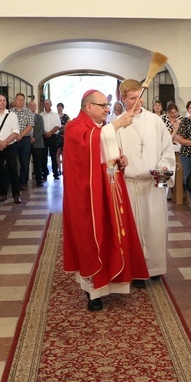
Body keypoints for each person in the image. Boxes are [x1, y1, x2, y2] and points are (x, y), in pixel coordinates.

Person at [63, 89, 149, 311]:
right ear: (88, 107)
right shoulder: (75, 127)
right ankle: (93, 292)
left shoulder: (100, 129)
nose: (107, 109)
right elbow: (87, 147)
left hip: (110, 190)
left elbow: (104, 153)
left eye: (107, 106)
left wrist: (119, 160)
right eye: (102, 105)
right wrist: (117, 124)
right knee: (94, 237)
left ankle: (114, 281)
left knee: (113, 234)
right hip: (88, 196)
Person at [116, 79, 176, 284]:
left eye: (139, 98)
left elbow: (167, 149)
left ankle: (155, 267)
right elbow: (110, 155)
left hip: (153, 182)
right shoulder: (117, 124)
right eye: (132, 98)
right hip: (129, 184)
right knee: (132, 228)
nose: (137, 103)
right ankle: (136, 269)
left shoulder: (155, 121)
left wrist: (163, 170)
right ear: (122, 98)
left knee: (155, 226)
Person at [0, 94, 21, 203]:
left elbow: (15, 131)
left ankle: (16, 194)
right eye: (0, 100)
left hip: (10, 146)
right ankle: (3, 193)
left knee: (13, 170)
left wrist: (4, 143)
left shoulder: (12, 115)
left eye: (4, 100)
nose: (2, 102)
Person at [11, 93, 34, 191]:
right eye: (18, 99)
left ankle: (23, 183)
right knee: (12, 162)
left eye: (22, 99)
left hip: (25, 139)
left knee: (24, 162)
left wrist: (21, 135)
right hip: (12, 139)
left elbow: (30, 126)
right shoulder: (10, 112)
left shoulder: (28, 112)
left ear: (24, 101)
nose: (20, 101)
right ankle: (13, 183)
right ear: (15, 101)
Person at [40, 99, 61, 179]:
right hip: (44, 137)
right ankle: (45, 173)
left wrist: (50, 133)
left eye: (47, 104)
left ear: (51, 104)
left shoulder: (55, 115)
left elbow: (57, 126)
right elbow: (40, 126)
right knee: (43, 156)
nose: (46, 105)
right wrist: (45, 132)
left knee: (53, 155)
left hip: (53, 137)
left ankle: (55, 173)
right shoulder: (41, 115)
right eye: (45, 104)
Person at [28, 100, 44, 187]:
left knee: (38, 163)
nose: (32, 107)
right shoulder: (26, 117)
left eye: (34, 105)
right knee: (25, 162)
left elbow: (41, 130)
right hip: (27, 142)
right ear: (28, 106)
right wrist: (29, 138)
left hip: (37, 143)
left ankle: (39, 180)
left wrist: (34, 138)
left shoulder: (39, 117)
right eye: (31, 105)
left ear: (36, 107)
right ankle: (23, 182)